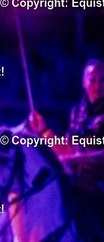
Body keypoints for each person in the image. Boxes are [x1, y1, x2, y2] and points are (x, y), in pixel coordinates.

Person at [28, 59, 104, 191]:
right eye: (92, 81)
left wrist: (78, 158)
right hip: (76, 181)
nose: (98, 86)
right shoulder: (77, 112)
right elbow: (67, 150)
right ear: (84, 82)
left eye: (102, 81)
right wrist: (44, 131)